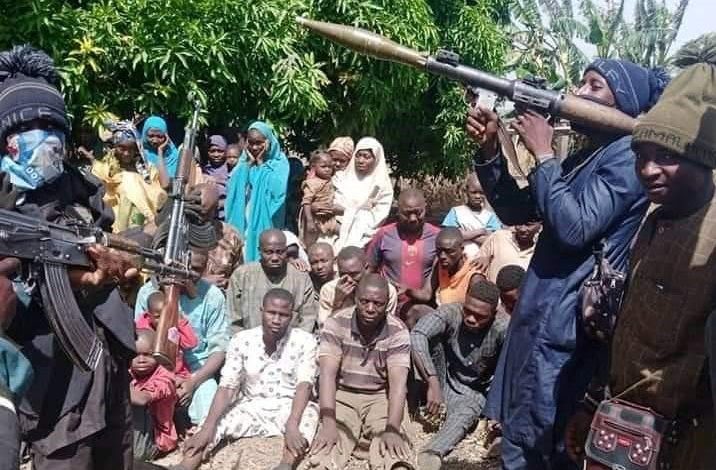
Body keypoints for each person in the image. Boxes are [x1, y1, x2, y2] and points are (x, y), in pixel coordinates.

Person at [466, 59, 668, 469]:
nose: (577, 91)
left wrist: (543, 153)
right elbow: (519, 209)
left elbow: (574, 228)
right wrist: (491, 152)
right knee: (521, 434)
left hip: (564, 326)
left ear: (622, 103)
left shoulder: (625, 160)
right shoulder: (586, 156)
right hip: (542, 314)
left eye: (594, 86)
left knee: (541, 444)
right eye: (581, 81)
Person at [565, 61, 716, 470]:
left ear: (704, 159)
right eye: (641, 155)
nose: (647, 170)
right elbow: (627, 333)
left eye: (666, 155)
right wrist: (593, 405)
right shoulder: (653, 222)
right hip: (624, 435)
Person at [1, 45, 138, 469]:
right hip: (51, 379)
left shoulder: (80, 189)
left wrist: (119, 276)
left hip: (105, 355)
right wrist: (71, 279)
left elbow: (103, 246)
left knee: (116, 454)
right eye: (30, 127)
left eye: (51, 126)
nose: (44, 137)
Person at [175, 289, 319, 470]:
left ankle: (285, 465)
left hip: (289, 406)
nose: (276, 320)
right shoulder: (242, 340)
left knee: (309, 416)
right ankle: (185, 465)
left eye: (283, 315)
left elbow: (304, 385)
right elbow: (227, 386)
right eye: (271, 313)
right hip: (251, 406)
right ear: (261, 311)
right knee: (211, 423)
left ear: (292, 316)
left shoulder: (305, 341)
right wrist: (207, 428)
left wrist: (292, 422)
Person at [308, 274, 414, 470]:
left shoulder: (398, 331)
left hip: (380, 396)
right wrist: (328, 421)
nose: (370, 309)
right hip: (343, 394)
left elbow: (398, 386)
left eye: (378, 303)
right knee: (328, 444)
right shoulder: (337, 323)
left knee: (393, 448)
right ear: (355, 298)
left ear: (387, 303)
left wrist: (392, 428)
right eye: (364, 301)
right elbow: (327, 376)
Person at [411, 280, 509, 469]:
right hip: (443, 376)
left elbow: (513, 368)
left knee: (464, 417)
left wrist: (500, 410)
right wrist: (433, 382)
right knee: (424, 342)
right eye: (468, 310)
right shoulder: (452, 312)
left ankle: (432, 453)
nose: (471, 318)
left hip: (473, 391)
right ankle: (412, 407)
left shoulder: (501, 328)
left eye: (480, 316)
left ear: (493, 314)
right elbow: (418, 334)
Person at [135, 249, 229, 426]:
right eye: (187, 268)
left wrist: (193, 382)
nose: (190, 274)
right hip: (154, 369)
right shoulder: (148, 293)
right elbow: (141, 339)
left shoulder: (212, 295)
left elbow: (219, 350)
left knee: (210, 412)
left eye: (197, 269)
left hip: (197, 369)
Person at [367, 188, 440, 327]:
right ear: (397, 211)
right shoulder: (384, 234)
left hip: (423, 306)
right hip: (388, 304)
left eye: (418, 212)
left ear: (426, 208)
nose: (413, 218)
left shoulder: (437, 236)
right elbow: (369, 269)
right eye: (407, 214)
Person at [227, 229, 317, 333]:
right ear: (259, 251)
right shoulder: (242, 276)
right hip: (248, 344)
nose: (275, 258)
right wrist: (244, 342)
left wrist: (295, 343)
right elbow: (233, 319)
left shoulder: (301, 278)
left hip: (291, 344)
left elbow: (308, 319)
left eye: (280, 252)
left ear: (286, 251)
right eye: (269, 252)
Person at [225, 121, 290, 262]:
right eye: (251, 142)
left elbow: (277, 193)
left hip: (267, 220)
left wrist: (260, 164)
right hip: (244, 221)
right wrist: (248, 164)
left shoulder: (279, 163)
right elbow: (232, 188)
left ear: (268, 141)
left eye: (259, 142)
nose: (254, 147)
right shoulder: (244, 162)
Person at [92, 121, 168, 232]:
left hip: (145, 223)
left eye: (131, 149)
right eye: (122, 148)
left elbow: (162, 188)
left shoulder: (147, 169)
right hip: (114, 223)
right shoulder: (104, 168)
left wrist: (160, 151)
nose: (126, 153)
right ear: (114, 147)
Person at [329, 137, 394, 252]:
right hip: (332, 230)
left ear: (376, 159)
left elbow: (377, 215)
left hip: (362, 237)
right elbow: (331, 204)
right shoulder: (340, 177)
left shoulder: (382, 185)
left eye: (366, 157)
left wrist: (349, 213)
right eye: (358, 155)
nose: (361, 160)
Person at [318, 246, 398, 330]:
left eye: (354, 274)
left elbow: (387, 327)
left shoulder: (385, 290)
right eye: (343, 275)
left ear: (366, 268)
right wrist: (338, 303)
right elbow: (323, 329)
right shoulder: (329, 290)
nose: (349, 280)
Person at [130, 329, 178, 460]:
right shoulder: (130, 372)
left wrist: (116, 381)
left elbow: (142, 399)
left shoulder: (164, 378)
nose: (141, 360)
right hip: (135, 432)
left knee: (135, 405)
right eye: (135, 355)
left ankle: (136, 454)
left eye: (147, 355)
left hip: (155, 441)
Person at [409, 227, 484, 306]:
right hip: (441, 313)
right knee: (415, 310)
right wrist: (407, 290)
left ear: (461, 250)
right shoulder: (440, 266)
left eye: (449, 251)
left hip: (459, 316)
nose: (442, 256)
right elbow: (426, 294)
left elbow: (476, 311)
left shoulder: (474, 277)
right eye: (439, 251)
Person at [135, 291, 198, 380]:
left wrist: (180, 321)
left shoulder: (173, 327)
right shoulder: (142, 329)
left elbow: (190, 343)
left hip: (176, 373)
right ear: (148, 316)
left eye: (166, 315)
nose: (163, 320)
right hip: (150, 374)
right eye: (157, 317)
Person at [442, 174, 502, 259]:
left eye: (482, 193)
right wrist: (481, 231)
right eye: (474, 192)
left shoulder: (489, 216)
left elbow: (492, 240)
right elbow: (452, 236)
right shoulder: (456, 212)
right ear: (466, 191)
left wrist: (466, 234)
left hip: (483, 262)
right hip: (460, 261)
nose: (478, 196)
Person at [476, 222, 541, 283]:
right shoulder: (499, 237)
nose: (522, 229)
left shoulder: (541, 250)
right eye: (519, 224)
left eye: (528, 225)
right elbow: (474, 268)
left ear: (539, 225)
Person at [301, 151, 339, 247]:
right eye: (323, 166)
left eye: (330, 167)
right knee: (311, 242)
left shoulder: (331, 180)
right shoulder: (312, 183)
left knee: (342, 233)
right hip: (315, 219)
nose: (327, 169)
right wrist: (309, 221)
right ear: (314, 167)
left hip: (329, 218)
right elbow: (306, 202)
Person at [202, 134, 229, 219]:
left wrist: (219, 203)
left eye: (220, 151)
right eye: (212, 151)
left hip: (227, 217)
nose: (216, 155)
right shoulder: (203, 171)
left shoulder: (231, 171)